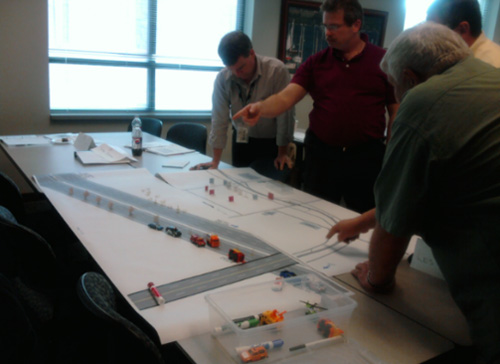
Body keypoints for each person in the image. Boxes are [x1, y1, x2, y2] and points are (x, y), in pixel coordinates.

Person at [329, 22, 500, 363]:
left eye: (393, 85)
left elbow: (395, 227)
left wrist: (377, 281)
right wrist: (363, 221)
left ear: (409, 76)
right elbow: (437, 183)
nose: (394, 94)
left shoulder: (422, 100)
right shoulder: (490, 76)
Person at [233, 0, 398, 213]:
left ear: (356, 25)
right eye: (325, 26)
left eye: (334, 26)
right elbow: (285, 98)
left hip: (365, 157)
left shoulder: (383, 61)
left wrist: (392, 156)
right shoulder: (316, 62)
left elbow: (396, 112)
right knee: (314, 215)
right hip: (322, 156)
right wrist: (259, 108)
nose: (327, 33)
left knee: (365, 217)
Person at [191, 31, 295, 178]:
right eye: (231, 69)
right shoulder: (223, 78)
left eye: (240, 68)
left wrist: (282, 152)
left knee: (268, 191)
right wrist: (215, 161)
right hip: (241, 141)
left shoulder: (276, 71)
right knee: (241, 189)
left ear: (251, 53)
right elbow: (219, 119)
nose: (237, 74)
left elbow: (285, 115)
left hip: (271, 143)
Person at [427, 0, 500, 67]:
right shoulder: (457, 55)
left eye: (435, 32)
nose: (428, 37)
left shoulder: (489, 68)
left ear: (462, 29)